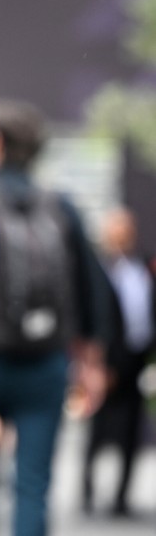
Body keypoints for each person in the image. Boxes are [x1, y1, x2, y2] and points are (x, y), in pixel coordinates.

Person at [0, 98, 108, 536]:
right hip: (46, 363)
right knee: (34, 484)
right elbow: (92, 290)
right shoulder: (61, 206)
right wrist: (91, 364)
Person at [82, 205, 154, 517]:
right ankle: (87, 491)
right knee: (98, 430)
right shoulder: (97, 269)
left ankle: (121, 497)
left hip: (136, 359)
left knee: (131, 431)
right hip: (106, 360)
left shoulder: (141, 267)